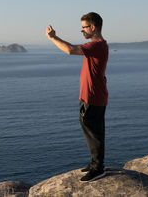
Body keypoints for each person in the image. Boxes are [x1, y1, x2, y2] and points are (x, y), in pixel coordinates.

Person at [45, 12, 109, 182]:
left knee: (94, 130)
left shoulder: (98, 45)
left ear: (93, 27)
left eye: (84, 27)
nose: (82, 31)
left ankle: (98, 168)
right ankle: (95, 163)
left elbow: (70, 50)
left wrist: (53, 38)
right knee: (91, 128)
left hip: (94, 96)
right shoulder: (96, 46)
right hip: (91, 95)